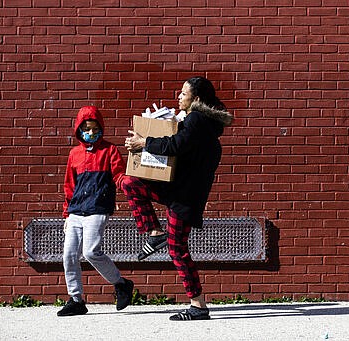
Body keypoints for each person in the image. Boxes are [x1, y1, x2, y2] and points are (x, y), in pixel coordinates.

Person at [123, 76, 233, 321]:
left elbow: (176, 145)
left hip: (184, 197)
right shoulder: (198, 122)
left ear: (197, 99)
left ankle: (198, 306)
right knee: (130, 182)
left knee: (177, 249)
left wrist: (144, 142)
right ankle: (154, 232)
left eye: (184, 93)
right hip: (175, 190)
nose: (178, 97)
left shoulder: (197, 120)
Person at [58, 106, 134, 317]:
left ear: (101, 128)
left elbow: (118, 175)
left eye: (95, 128)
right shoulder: (74, 154)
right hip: (75, 211)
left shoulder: (109, 150)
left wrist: (129, 184)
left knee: (91, 252)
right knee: (69, 255)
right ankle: (76, 300)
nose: (91, 133)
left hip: (97, 209)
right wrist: (66, 214)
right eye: (87, 129)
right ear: (79, 129)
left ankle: (121, 284)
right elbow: (69, 186)